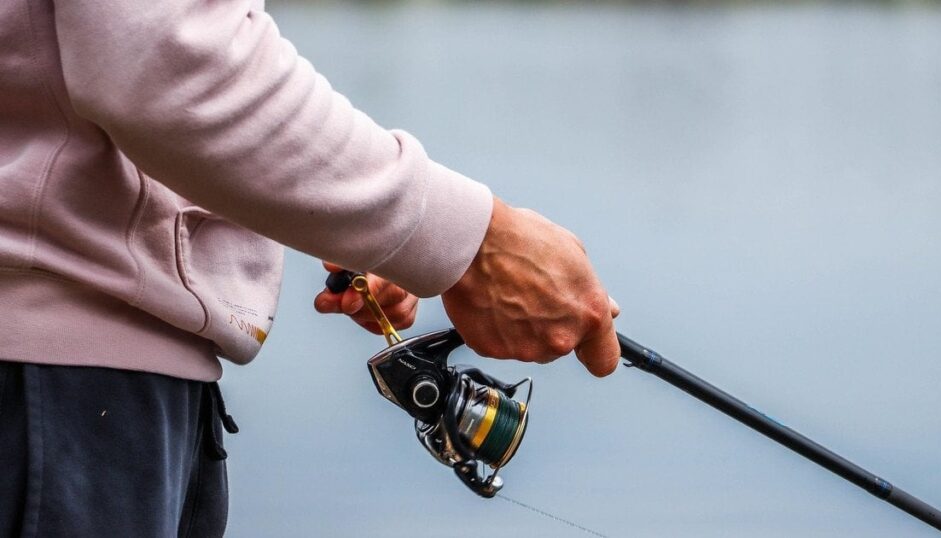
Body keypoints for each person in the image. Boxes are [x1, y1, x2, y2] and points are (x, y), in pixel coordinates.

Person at [0, 0, 620, 536]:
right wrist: (471, 241)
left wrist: (365, 234)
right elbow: (161, 57)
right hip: (60, 398)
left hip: (98, 396)